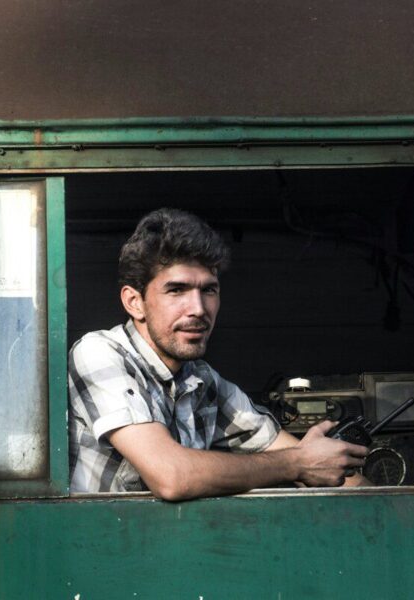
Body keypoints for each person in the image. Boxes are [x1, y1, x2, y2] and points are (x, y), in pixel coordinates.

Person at [68, 208, 368, 500]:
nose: (198, 309)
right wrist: (298, 463)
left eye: (209, 290)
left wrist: (341, 471)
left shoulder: (202, 381)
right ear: (135, 302)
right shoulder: (98, 353)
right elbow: (172, 477)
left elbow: (302, 457)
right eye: (177, 290)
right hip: (103, 547)